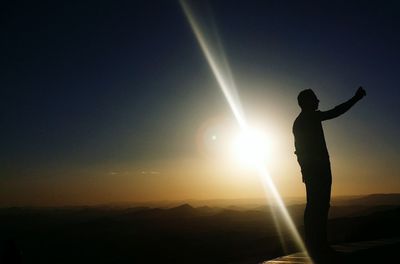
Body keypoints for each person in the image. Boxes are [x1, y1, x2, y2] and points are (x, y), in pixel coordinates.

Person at [292, 87, 366, 261]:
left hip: (313, 170)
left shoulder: (299, 122)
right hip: (318, 171)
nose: (318, 101)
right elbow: (335, 112)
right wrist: (355, 98)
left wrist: (304, 169)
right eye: (315, 99)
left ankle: (315, 246)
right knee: (319, 207)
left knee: (315, 207)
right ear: (307, 102)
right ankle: (319, 248)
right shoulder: (310, 117)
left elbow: (299, 150)